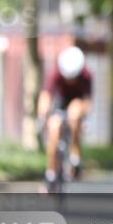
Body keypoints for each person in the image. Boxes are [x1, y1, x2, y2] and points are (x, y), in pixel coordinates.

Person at [38, 45, 92, 187]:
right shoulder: (55, 74)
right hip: (59, 105)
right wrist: (44, 115)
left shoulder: (86, 75)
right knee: (54, 128)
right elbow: (46, 96)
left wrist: (83, 112)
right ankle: (51, 173)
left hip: (77, 105)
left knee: (74, 114)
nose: (70, 81)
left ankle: (76, 158)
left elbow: (88, 101)